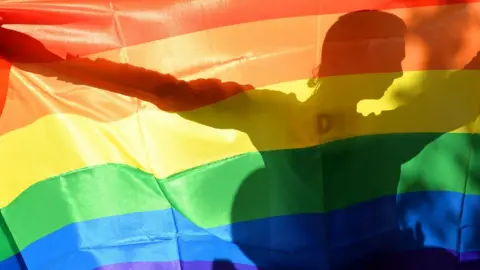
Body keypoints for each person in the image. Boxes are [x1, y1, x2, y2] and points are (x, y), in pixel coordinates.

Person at [2, 9, 480, 270]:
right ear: (347, 57)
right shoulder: (277, 113)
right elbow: (166, 91)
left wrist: (55, 63)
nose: (397, 69)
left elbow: (463, 92)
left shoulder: (384, 130)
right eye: (388, 56)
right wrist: (57, 62)